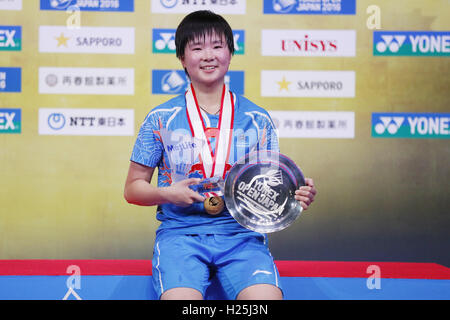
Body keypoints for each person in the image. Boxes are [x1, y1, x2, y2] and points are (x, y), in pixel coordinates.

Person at [124, 10, 317, 300]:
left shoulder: (257, 119)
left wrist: (295, 195)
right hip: (181, 236)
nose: (208, 55)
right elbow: (132, 189)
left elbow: (270, 188)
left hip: (242, 237)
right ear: (182, 59)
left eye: (217, 46)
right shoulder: (161, 118)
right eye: (197, 48)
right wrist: (168, 194)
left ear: (230, 52)